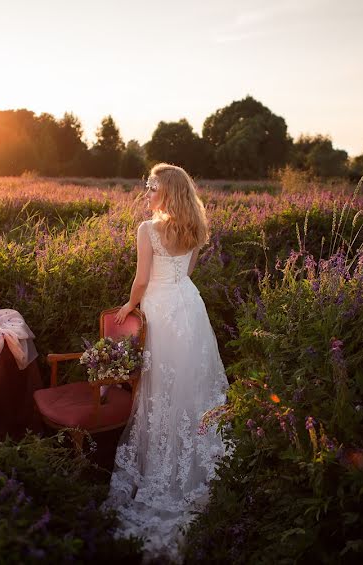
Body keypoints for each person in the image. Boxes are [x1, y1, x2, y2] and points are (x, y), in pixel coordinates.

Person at [109, 163, 229, 560]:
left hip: (160, 310)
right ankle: (194, 451)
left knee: (162, 382)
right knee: (191, 382)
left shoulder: (148, 229)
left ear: (168, 192)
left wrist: (128, 305)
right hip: (189, 306)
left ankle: (163, 462)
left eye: (152, 187)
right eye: (147, 185)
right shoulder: (194, 227)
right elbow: (187, 273)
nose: (147, 191)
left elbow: (142, 280)